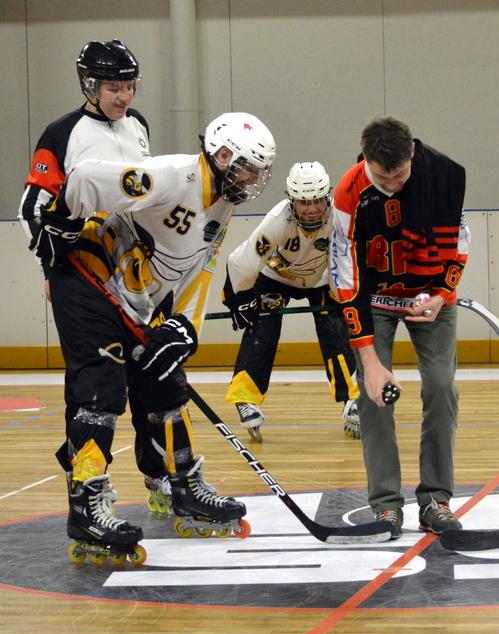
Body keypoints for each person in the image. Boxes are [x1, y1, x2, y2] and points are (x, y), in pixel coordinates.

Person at [26, 111, 276, 559]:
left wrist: (185, 327)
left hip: (137, 299)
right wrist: (60, 221)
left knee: (166, 385)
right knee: (101, 389)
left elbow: (202, 267)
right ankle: (86, 501)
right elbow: (84, 177)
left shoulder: (223, 203)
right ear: (222, 156)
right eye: (248, 169)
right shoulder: (171, 177)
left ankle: (184, 485)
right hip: (87, 280)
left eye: (259, 172)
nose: (254, 179)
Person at [17, 39, 180, 514]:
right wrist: (51, 265)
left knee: (154, 375)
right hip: (84, 278)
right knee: (97, 384)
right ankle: (87, 485)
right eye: (113, 88)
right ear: (90, 86)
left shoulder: (138, 125)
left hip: (135, 277)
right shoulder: (61, 133)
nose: (123, 97)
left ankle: (161, 475)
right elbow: (33, 209)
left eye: (129, 87)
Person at [329, 117, 470, 540]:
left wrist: (443, 294)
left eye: (400, 176)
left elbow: (459, 242)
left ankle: (436, 500)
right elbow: (345, 278)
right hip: (374, 301)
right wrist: (370, 363)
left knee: (442, 387)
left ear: (412, 154)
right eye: (381, 177)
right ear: (365, 160)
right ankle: (386, 505)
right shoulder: (348, 193)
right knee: (373, 397)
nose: (391, 185)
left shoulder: (443, 175)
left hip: (430, 297)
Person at [221, 161, 361, 442]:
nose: (311, 209)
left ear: (327, 196)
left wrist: (348, 299)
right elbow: (242, 261)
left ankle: (352, 398)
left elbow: (347, 259)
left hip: (322, 279)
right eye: (303, 202)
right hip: (276, 277)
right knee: (263, 328)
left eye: (317, 201)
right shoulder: (277, 221)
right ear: (291, 201)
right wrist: (238, 300)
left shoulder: (340, 217)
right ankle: (246, 398)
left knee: (335, 330)